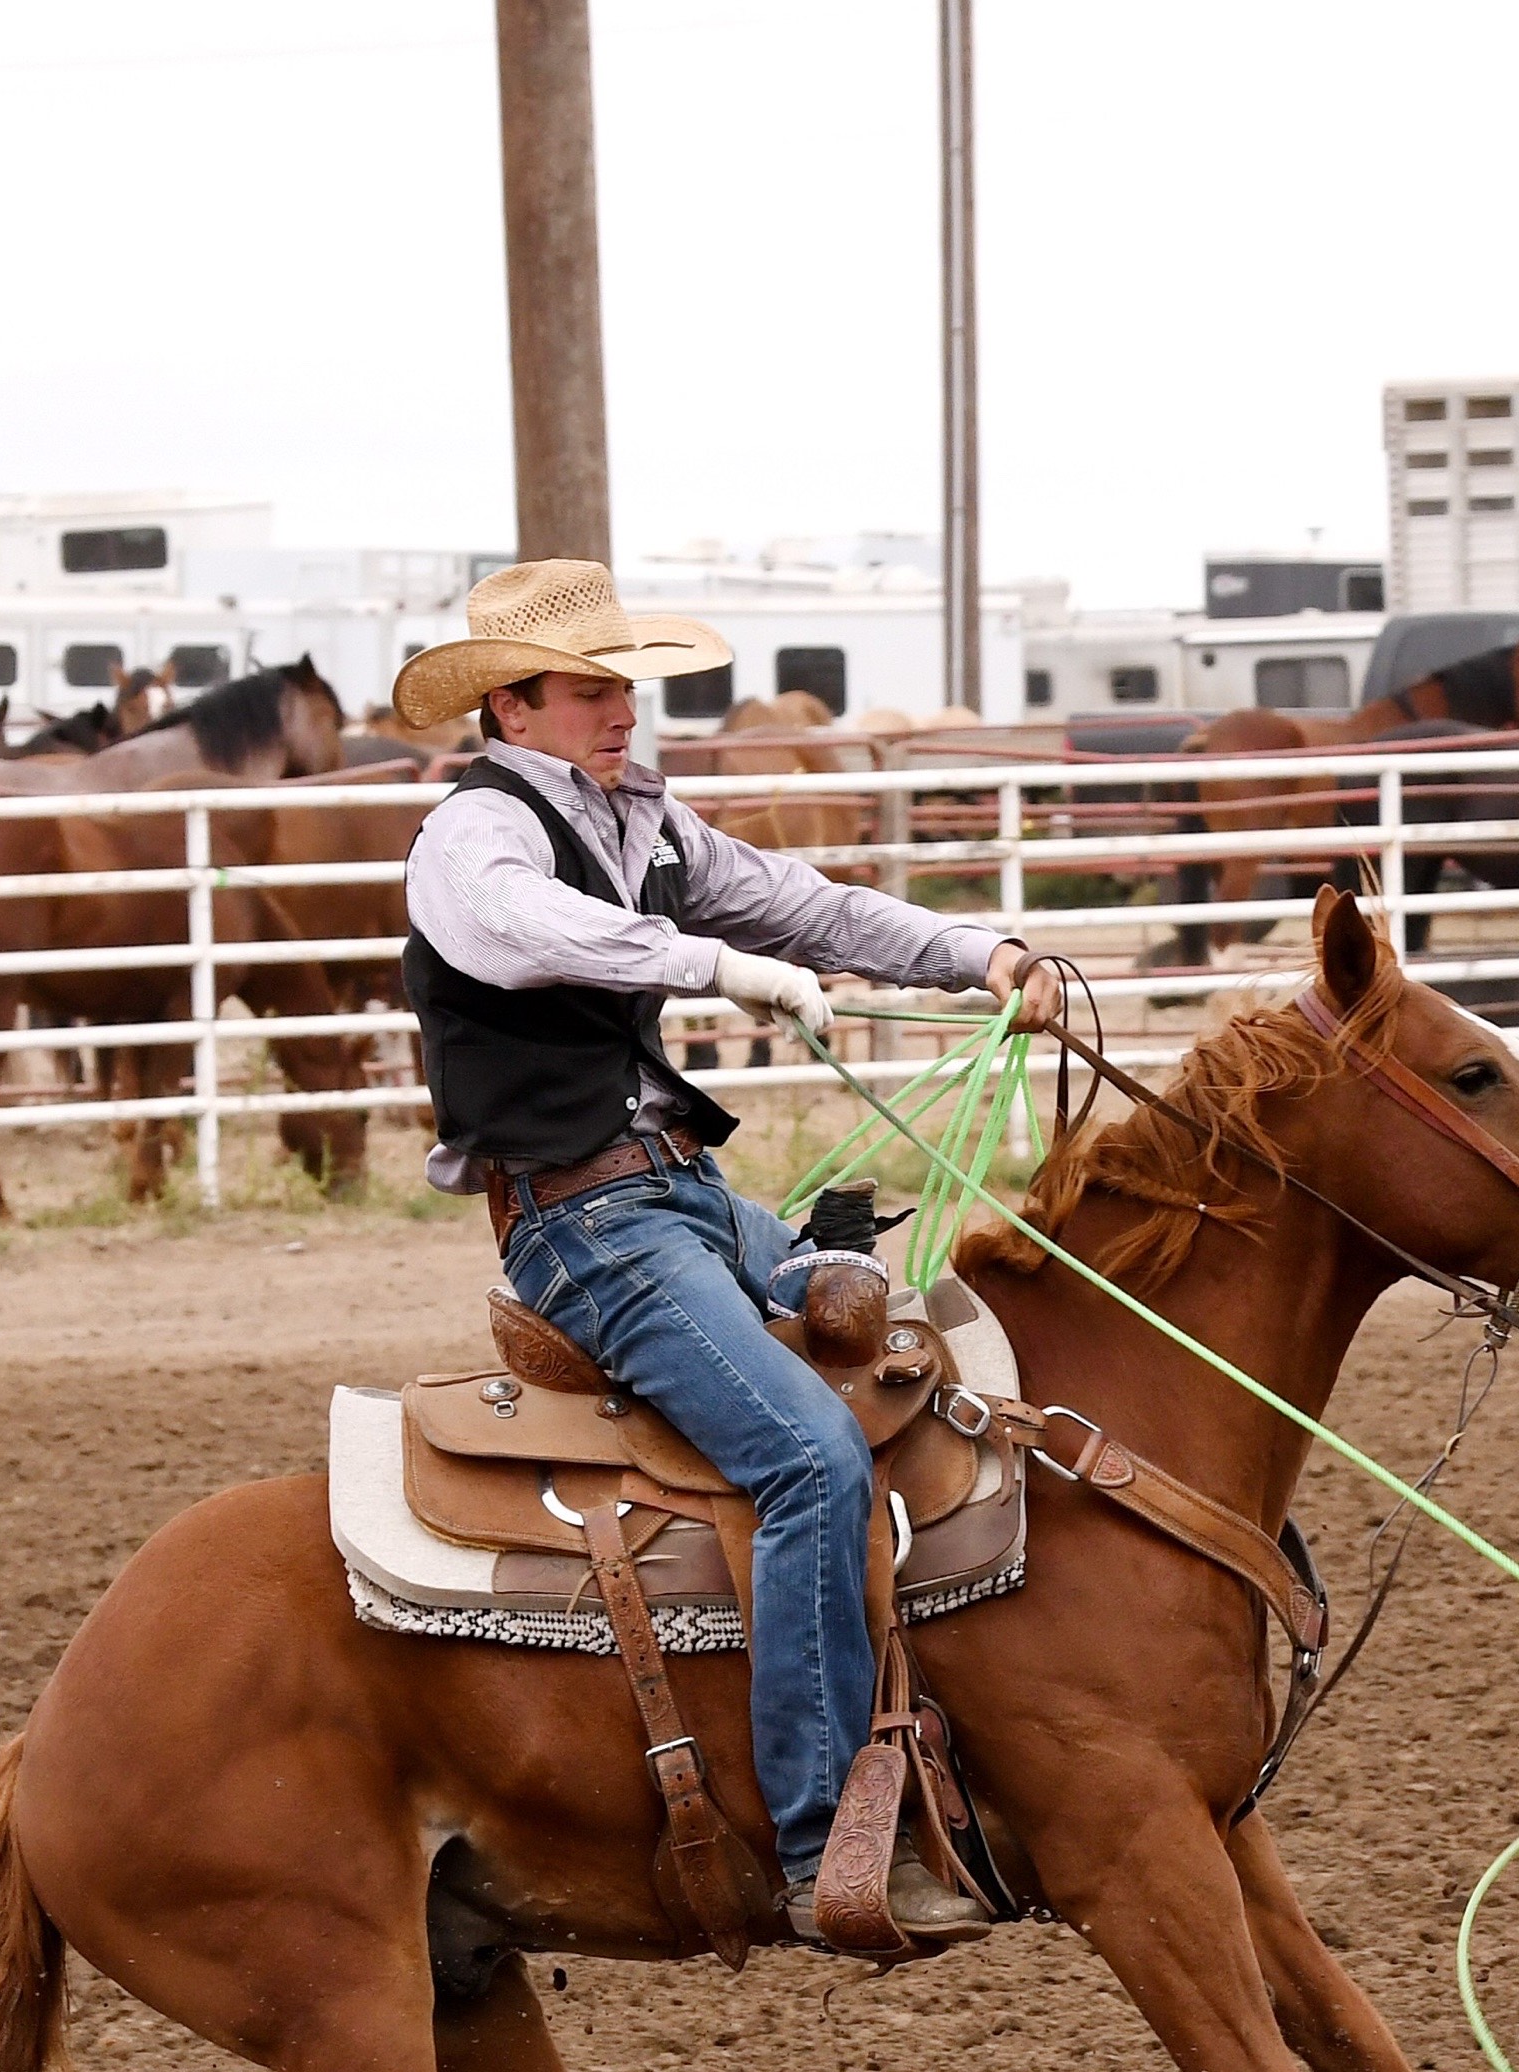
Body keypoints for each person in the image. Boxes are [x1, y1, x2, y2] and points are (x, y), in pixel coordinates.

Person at [391, 559, 1063, 1952]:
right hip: (587, 1224)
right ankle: (819, 1835)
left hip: (682, 1193)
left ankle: (932, 1726)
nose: (620, 710)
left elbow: (807, 907)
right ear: (511, 705)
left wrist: (972, 952)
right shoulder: (471, 836)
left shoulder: (645, 822)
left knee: (889, 1317)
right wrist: (712, 966)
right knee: (807, 1453)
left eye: (624, 686)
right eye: (588, 689)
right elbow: (530, 932)